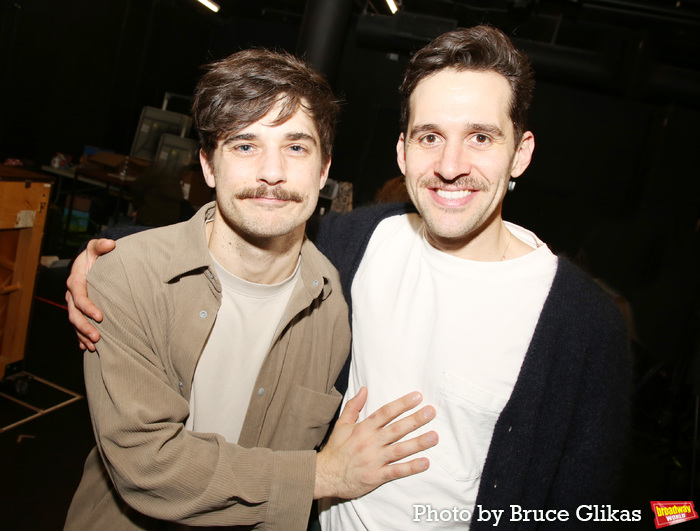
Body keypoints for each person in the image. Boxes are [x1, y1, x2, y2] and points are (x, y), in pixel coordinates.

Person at [68, 26, 630, 530]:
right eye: (430, 136)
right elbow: (244, 234)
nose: (452, 163)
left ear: (521, 152)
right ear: (403, 151)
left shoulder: (582, 324)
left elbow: (585, 506)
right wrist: (106, 265)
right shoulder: (356, 245)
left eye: (481, 137)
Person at [64, 49, 438, 531]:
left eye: (296, 147)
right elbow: (149, 467)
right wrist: (322, 474)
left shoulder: (331, 307)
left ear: (323, 172)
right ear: (208, 166)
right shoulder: (128, 279)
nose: (272, 172)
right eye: (245, 146)